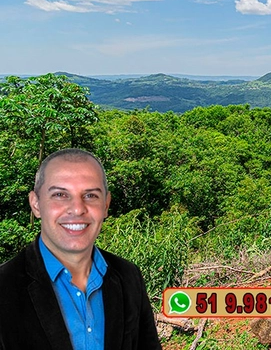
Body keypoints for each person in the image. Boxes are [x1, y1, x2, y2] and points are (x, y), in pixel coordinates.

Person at [0, 148, 162, 350]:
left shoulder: (128, 276)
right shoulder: (4, 287)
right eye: (60, 194)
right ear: (36, 204)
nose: (77, 209)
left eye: (91, 195)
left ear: (105, 205)